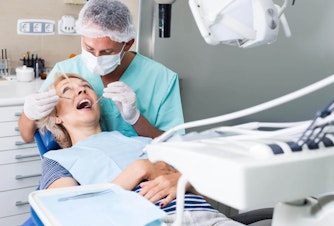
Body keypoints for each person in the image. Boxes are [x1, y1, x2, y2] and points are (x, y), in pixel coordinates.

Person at [35, 73, 244, 225]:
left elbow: (208, 194)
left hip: (210, 218)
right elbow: (69, 215)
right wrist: (138, 170)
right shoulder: (57, 159)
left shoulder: (141, 141)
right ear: (56, 117)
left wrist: (183, 180)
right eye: (66, 90)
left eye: (85, 86)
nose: (80, 90)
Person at [18, 0, 184, 143]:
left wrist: (135, 118)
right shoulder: (65, 71)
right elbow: (27, 136)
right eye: (89, 48)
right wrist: (29, 113)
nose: (96, 57)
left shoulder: (162, 79)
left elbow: (174, 146)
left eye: (107, 52)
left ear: (128, 44)